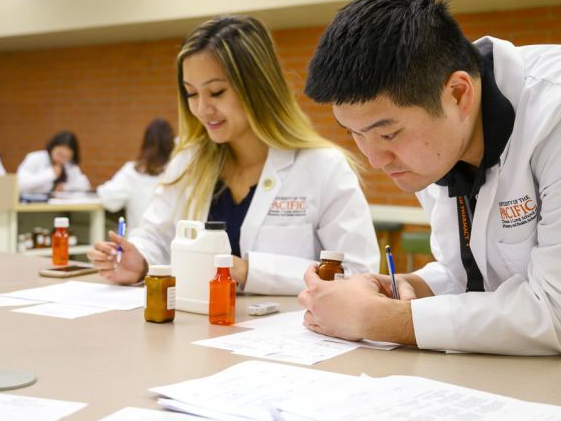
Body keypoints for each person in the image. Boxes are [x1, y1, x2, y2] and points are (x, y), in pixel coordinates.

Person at [299, 0, 561, 355]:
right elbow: (476, 277)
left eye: (388, 133)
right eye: (354, 134)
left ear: (458, 94)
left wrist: (376, 319)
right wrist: (402, 288)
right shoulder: (438, 140)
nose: (376, 159)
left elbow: (560, 313)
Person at [88, 15, 380, 295]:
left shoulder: (322, 167)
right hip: (194, 332)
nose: (202, 109)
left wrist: (249, 271)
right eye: (191, 94)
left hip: (286, 338)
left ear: (258, 88)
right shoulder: (187, 162)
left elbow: (357, 273)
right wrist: (138, 260)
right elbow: (156, 236)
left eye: (216, 92)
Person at [97, 118, 175, 230]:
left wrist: (99, 190)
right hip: (172, 243)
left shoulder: (132, 172)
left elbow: (109, 199)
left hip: (139, 243)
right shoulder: (179, 170)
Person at [17, 130, 91, 194]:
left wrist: (65, 187)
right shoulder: (35, 158)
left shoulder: (69, 165)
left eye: (66, 157)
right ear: (52, 147)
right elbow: (20, 185)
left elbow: (85, 185)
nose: (61, 160)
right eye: (59, 154)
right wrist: (50, 174)